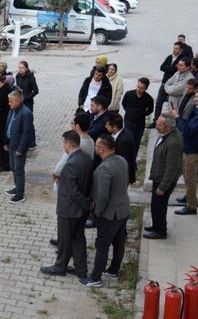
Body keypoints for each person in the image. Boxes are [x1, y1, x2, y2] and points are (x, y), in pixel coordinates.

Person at [41, 131, 93, 277]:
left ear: (69, 144)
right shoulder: (86, 158)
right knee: (78, 239)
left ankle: (60, 267)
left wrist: (86, 204)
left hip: (69, 210)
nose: (63, 146)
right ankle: (80, 269)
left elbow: (73, 191)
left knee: (64, 240)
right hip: (80, 211)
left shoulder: (71, 163)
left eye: (64, 143)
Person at [80, 135, 130, 288]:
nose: (95, 148)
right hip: (123, 209)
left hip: (109, 214)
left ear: (101, 149)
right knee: (118, 242)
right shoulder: (122, 161)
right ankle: (114, 270)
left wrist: (98, 212)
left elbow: (102, 195)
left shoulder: (103, 169)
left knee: (102, 245)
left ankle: (96, 277)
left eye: (96, 146)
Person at [170, 88, 198, 215]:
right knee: (186, 175)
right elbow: (188, 124)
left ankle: (191, 206)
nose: (194, 99)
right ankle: (189, 196)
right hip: (188, 147)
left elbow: (187, 130)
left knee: (190, 179)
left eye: (197, 97)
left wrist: (177, 118)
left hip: (194, 151)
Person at [144, 114, 183, 239]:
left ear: (168, 127)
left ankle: (160, 231)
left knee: (159, 206)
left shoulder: (174, 142)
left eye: (159, 125)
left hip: (164, 180)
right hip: (158, 176)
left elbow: (172, 168)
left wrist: (163, 187)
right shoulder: (166, 134)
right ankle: (156, 225)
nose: (156, 126)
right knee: (155, 205)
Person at [3, 89, 34, 204]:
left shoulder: (26, 113)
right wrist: (5, 142)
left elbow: (27, 133)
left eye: (11, 101)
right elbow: (8, 126)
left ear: (19, 100)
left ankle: (20, 194)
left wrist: (21, 149)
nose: (9, 103)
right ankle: (17, 187)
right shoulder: (12, 110)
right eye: (9, 101)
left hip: (18, 148)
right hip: (11, 144)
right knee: (13, 167)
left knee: (19, 170)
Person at [151, 41, 184, 128]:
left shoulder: (181, 60)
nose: (174, 50)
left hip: (173, 87)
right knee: (159, 103)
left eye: (176, 49)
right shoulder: (170, 57)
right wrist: (171, 68)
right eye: (174, 48)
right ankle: (155, 121)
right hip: (164, 84)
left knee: (171, 106)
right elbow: (162, 67)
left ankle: (169, 124)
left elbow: (175, 71)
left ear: (181, 50)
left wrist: (169, 68)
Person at [122, 77, 154, 158]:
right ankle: (126, 158)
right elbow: (124, 104)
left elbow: (150, 110)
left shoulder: (148, 98)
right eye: (138, 86)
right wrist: (129, 112)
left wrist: (142, 114)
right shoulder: (129, 94)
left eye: (141, 88)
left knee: (137, 142)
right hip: (129, 121)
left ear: (146, 88)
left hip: (140, 123)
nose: (139, 89)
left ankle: (133, 160)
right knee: (129, 141)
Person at [106, 113, 137, 184]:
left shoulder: (124, 141)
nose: (105, 126)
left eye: (108, 125)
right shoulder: (118, 134)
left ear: (114, 127)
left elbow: (123, 163)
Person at [15, 61, 38, 149]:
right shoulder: (17, 76)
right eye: (19, 68)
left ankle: (32, 143)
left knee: (29, 122)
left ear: (26, 68)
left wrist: (27, 97)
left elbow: (36, 90)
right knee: (21, 121)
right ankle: (23, 141)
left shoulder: (30, 77)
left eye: (22, 68)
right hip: (19, 102)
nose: (20, 69)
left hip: (28, 103)